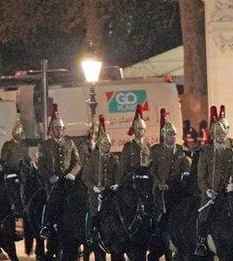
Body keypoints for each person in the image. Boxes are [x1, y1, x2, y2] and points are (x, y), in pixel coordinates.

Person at [194, 117, 233, 257]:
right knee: (203, 216)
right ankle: (201, 241)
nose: (221, 137)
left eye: (223, 134)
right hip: (210, 195)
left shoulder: (230, 153)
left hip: (225, 193)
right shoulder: (206, 152)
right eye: (218, 134)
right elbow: (200, 178)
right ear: (213, 135)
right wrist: (207, 190)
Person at [38, 104, 81, 237]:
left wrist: (72, 173)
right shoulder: (45, 145)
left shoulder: (70, 143)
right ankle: (46, 225)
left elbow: (77, 162)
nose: (58, 131)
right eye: (56, 128)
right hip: (53, 183)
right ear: (52, 130)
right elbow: (41, 165)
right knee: (50, 202)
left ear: (64, 130)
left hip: (68, 181)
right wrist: (49, 177)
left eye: (61, 128)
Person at [81, 116, 119, 245]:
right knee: (94, 212)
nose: (106, 147)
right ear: (99, 145)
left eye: (108, 145)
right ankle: (91, 233)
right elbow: (85, 177)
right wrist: (93, 187)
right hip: (96, 193)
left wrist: (117, 184)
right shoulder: (92, 159)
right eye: (104, 145)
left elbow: (118, 173)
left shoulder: (113, 159)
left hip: (110, 192)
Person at [150, 108, 191, 217]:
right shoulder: (156, 150)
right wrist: (158, 183)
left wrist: (186, 172)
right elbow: (152, 170)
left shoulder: (180, 149)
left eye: (174, 134)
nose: (173, 137)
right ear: (164, 135)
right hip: (161, 188)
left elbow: (186, 163)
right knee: (159, 214)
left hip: (176, 187)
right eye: (170, 134)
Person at [118, 105, 151, 178]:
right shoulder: (128, 146)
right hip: (133, 180)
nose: (140, 131)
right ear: (134, 129)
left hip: (146, 181)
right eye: (137, 129)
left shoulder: (148, 145)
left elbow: (151, 164)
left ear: (145, 130)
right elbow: (123, 166)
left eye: (142, 129)